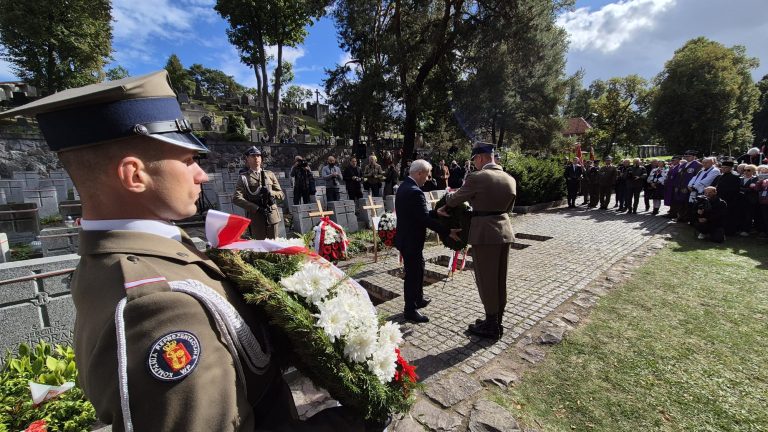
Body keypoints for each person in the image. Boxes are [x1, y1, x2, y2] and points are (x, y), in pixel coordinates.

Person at [0, 71, 363, 431]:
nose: (201, 175)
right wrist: (350, 423)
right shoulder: (157, 306)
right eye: (189, 160)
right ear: (135, 175)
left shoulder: (144, 254)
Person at [438, 143, 516, 340]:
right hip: (504, 231)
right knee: (499, 278)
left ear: (480, 158)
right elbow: (509, 206)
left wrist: (446, 200)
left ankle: (491, 326)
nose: (474, 164)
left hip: (484, 234)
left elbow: (455, 199)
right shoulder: (509, 179)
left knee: (486, 279)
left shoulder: (477, 177)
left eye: (474, 160)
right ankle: (496, 320)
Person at [394, 160, 458, 323]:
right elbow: (423, 219)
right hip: (411, 241)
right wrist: (447, 232)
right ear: (419, 173)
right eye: (427, 174)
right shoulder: (415, 191)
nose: (428, 178)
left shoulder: (404, 186)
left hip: (406, 239)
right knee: (412, 275)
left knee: (419, 268)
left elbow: (417, 213)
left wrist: (437, 212)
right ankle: (410, 310)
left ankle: (419, 298)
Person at [233, 146, 285, 239]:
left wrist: (270, 193)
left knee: (274, 246)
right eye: (253, 156)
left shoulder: (269, 174)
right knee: (260, 247)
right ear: (247, 159)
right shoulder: (243, 177)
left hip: (272, 216)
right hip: (256, 217)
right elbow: (236, 198)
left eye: (258, 156)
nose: (256, 158)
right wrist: (256, 208)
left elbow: (281, 194)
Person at [686, 156, 720, 226]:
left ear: (712, 163)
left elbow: (707, 180)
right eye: (703, 162)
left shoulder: (715, 171)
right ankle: (693, 221)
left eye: (706, 163)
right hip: (694, 190)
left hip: (703, 191)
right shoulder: (702, 170)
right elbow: (694, 177)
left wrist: (694, 187)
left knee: (701, 208)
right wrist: (689, 185)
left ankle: (699, 223)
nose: (704, 164)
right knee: (693, 206)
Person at [713, 159, 741, 235]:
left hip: (729, 200)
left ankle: (729, 232)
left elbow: (735, 190)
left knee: (729, 217)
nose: (723, 169)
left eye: (725, 167)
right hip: (718, 199)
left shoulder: (735, 178)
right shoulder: (719, 176)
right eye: (722, 167)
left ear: (730, 168)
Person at [675, 150, 702, 223]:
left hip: (688, 188)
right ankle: (680, 216)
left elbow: (697, 177)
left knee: (687, 204)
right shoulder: (683, 165)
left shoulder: (698, 165)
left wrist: (690, 187)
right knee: (680, 202)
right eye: (686, 156)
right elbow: (678, 176)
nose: (687, 157)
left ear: (694, 156)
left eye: (689, 156)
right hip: (680, 187)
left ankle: (686, 218)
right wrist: (677, 186)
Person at [738, 164, 760, 236]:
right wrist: (746, 190)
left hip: (750, 200)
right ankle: (740, 229)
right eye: (745, 170)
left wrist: (742, 190)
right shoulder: (740, 178)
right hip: (740, 200)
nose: (746, 172)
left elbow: (754, 190)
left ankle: (746, 230)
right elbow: (737, 187)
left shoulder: (756, 179)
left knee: (748, 215)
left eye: (748, 170)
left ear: (753, 171)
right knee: (740, 214)